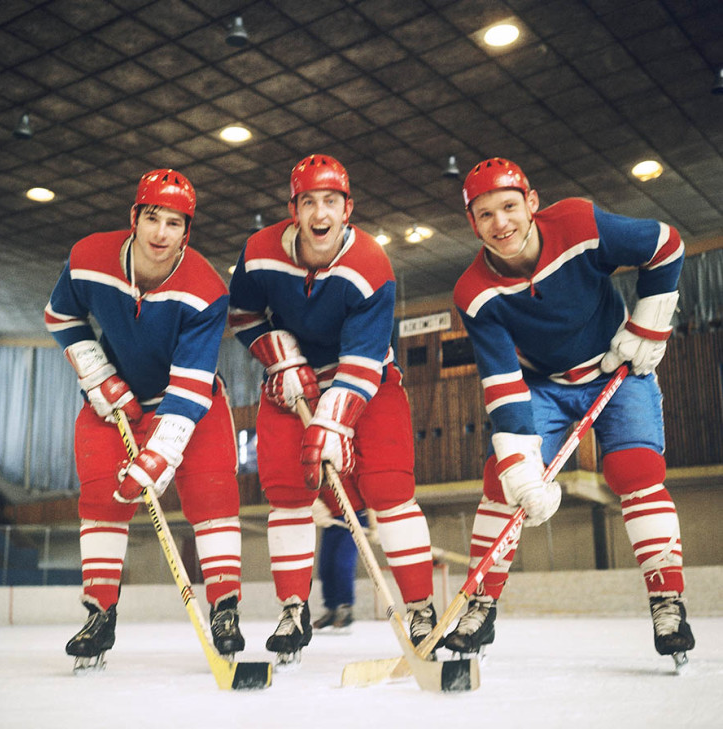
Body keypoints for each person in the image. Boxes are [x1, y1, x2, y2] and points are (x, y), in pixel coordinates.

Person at [445, 157, 695, 666]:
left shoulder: (580, 224)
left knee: (636, 470)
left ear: (532, 203)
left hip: (616, 367)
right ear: (473, 224)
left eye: (510, 207)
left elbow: (667, 245)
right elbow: (501, 381)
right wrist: (519, 465)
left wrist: (650, 324)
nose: (501, 224)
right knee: (501, 482)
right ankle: (479, 607)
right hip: (543, 384)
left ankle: (667, 601)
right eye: (486, 214)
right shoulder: (474, 292)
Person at [228, 154, 437, 664]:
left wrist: (331, 421)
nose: (319, 213)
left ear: (349, 209)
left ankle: (421, 608)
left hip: (366, 381)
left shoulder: (371, 265)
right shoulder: (258, 252)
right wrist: (277, 353)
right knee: (286, 494)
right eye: (308, 202)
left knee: (389, 490)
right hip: (289, 383)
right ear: (293, 209)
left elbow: (363, 361)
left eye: (331, 201)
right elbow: (243, 313)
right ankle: (294, 610)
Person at [45, 168, 246, 670]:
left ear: (187, 231)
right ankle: (99, 614)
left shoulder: (206, 289)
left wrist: (162, 451)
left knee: (213, 497)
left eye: (174, 223)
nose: (161, 233)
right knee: (100, 501)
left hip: (188, 402)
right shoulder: (88, 257)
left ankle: (225, 609)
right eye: (152, 218)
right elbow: (60, 316)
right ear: (133, 217)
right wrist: (95, 372)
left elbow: (192, 384)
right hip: (117, 404)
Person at [311, 484, 373, 632]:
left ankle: (345, 608)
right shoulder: (319, 464)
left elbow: (366, 485)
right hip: (332, 518)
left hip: (355, 515)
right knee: (325, 566)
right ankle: (331, 609)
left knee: (343, 563)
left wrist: (373, 520)